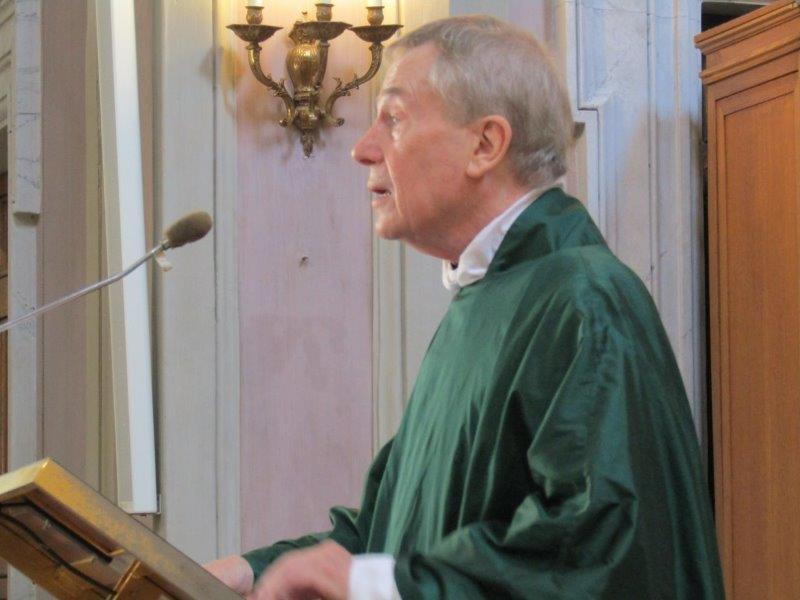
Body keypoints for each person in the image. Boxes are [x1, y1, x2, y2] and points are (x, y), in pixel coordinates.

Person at [206, 15, 725, 599]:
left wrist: (376, 585)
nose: (362, 148)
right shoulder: (487, 301)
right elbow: (394, 528)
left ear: (485, 144)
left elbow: (598, 551)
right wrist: (254, 570)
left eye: (393, 119)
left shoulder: (583, 301)